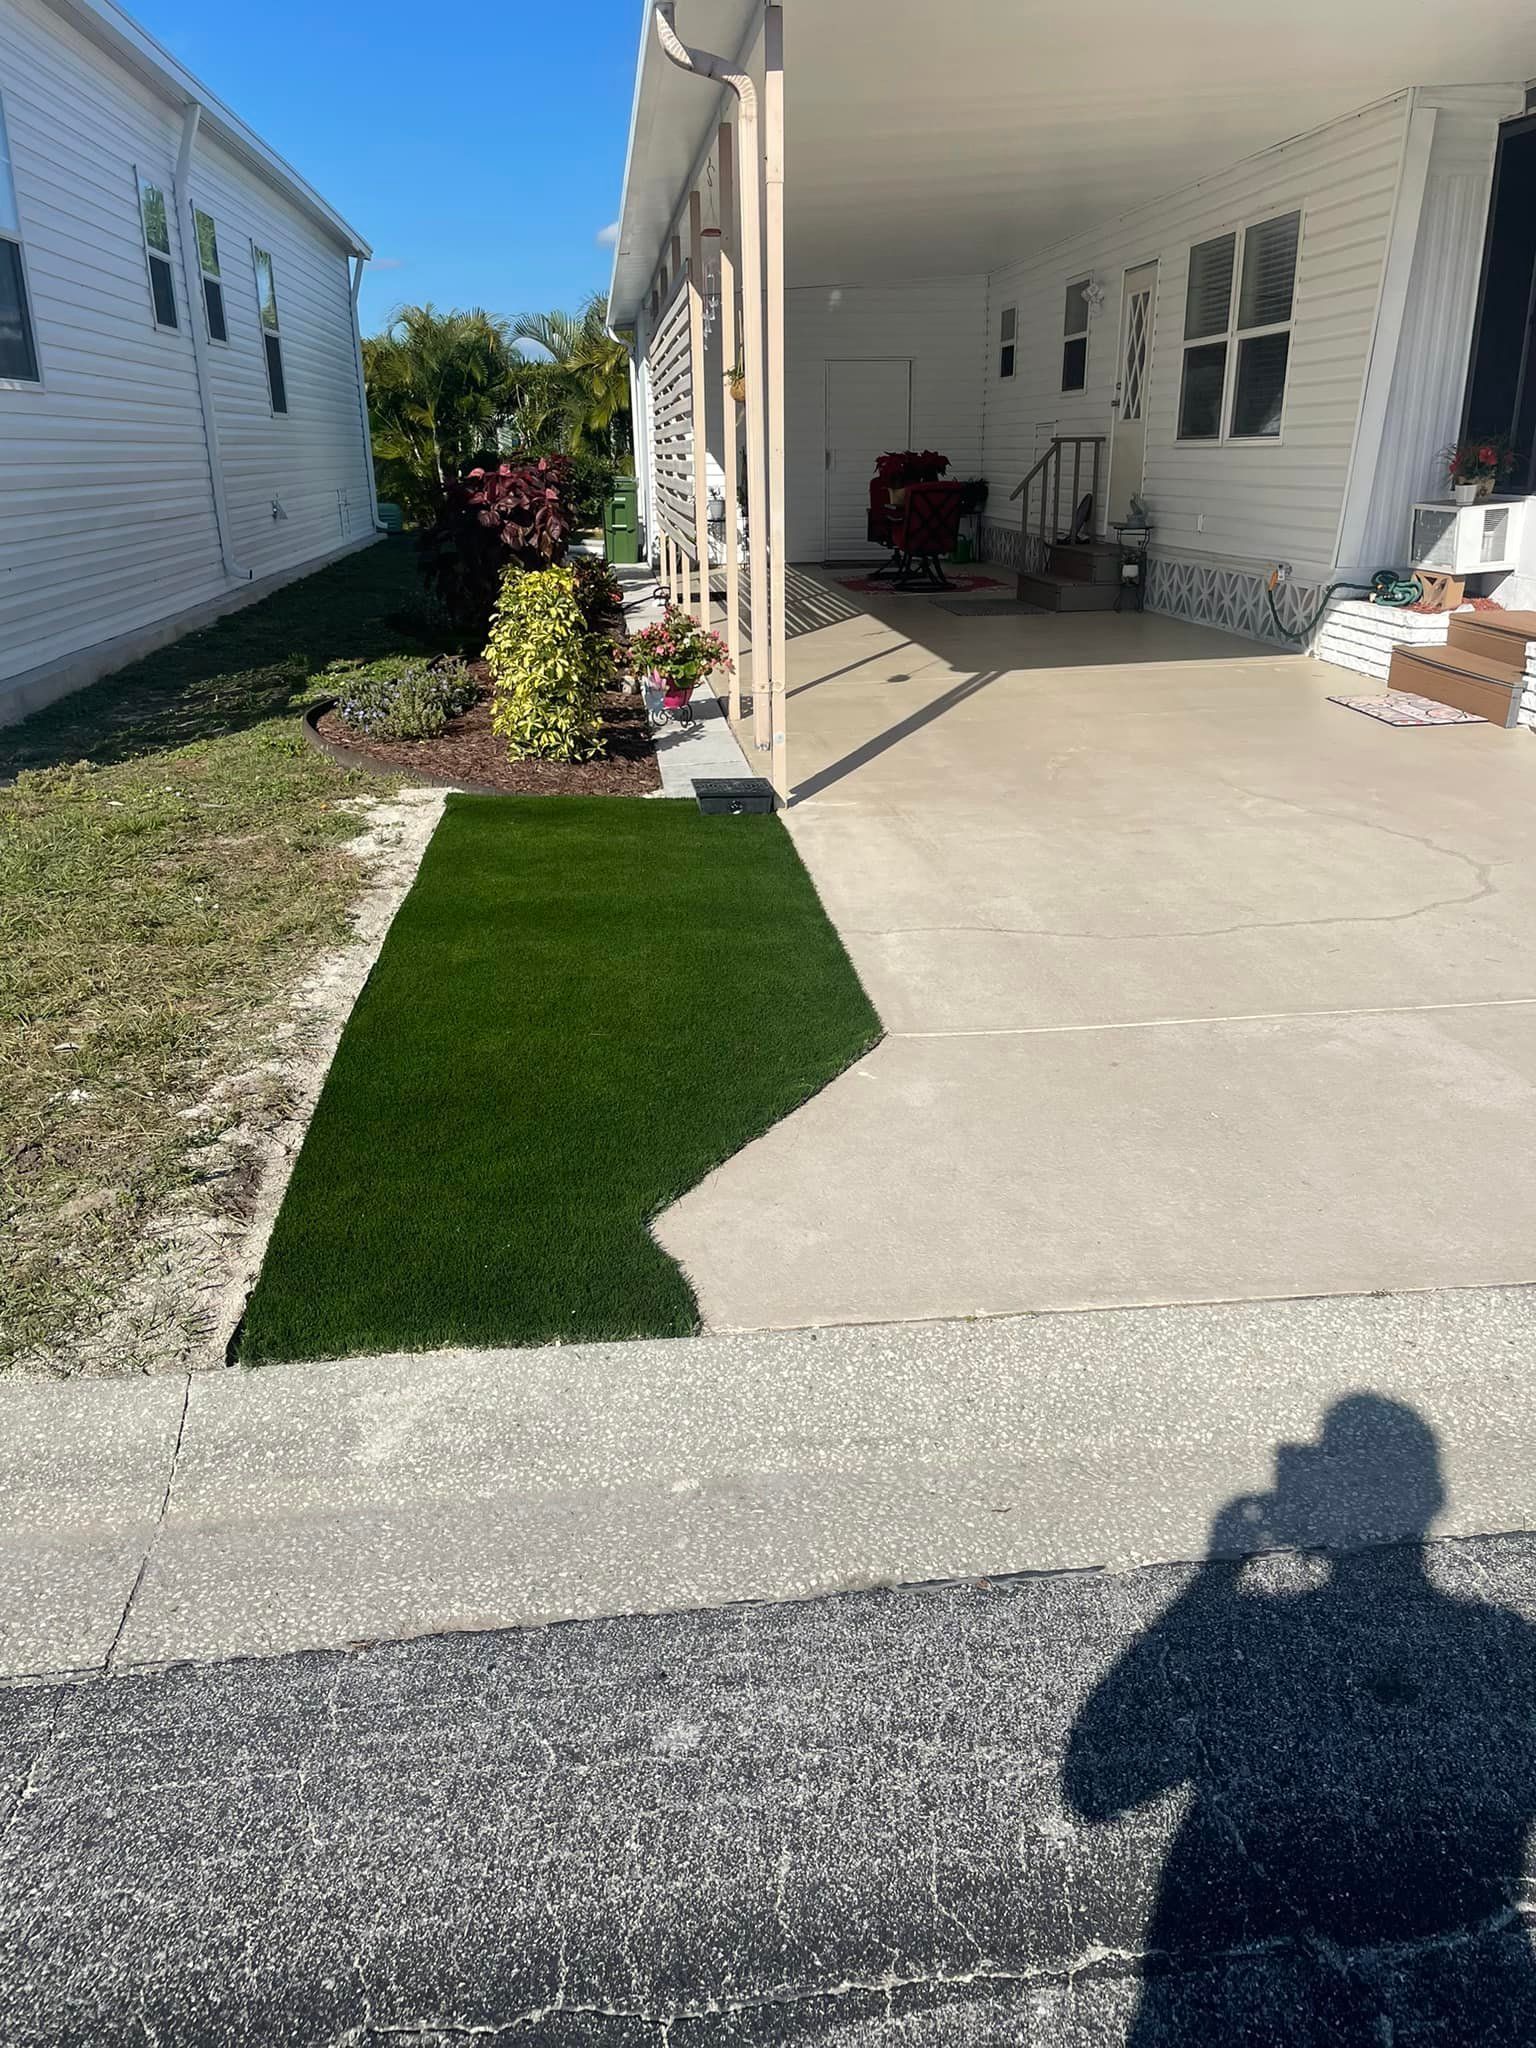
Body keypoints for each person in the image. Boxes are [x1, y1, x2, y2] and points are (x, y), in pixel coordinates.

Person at [1065, 1396, 1536, 2043]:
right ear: (1427, 1499)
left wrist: (1216, 1572)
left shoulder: (1255, 1631)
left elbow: (1096, 1789)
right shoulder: (1505, 1641)